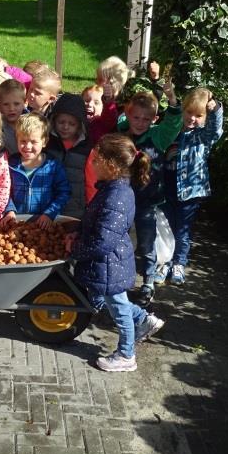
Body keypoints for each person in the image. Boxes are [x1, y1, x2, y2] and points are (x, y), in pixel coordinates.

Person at [67, 134, 165, 372]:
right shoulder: (111, 189)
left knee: (118, 309)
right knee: (112, 302)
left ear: (110, 165)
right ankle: (143, 319)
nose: (91, 163)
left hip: (110, 264)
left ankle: (126, 355)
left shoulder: (116, 195)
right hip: (109, 262)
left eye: (95, 159)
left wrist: (76, 250)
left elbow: (103, 240)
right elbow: (95, 221)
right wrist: (77, 232)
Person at [117, 87, 182, 306]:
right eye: (136, 117)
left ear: (154, 119)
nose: (140, 122)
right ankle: (120, 279)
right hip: (123, 199)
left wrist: (172, 100)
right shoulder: (122, 134)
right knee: (121, 240)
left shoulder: (157, 136)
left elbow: (172, 124)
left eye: (146, 119)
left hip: (146, 200)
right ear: (128, 114)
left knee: (147, 242)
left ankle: (148, 281)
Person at [162, 88, 223, 284]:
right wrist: (171, 98)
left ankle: (179, 262)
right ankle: (165, 261)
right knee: (167, 227)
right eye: (189, 112)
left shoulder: (203, 136)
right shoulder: (171, 131)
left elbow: (216, 129)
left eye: (199, 115)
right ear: (183, 110)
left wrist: (215, 110)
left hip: (190, 192)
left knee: (182, 230)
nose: (192, 118)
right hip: (167, 189)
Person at [1, 113, 70, 228]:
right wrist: (9, 210)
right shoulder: (10, 164)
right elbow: (4, 191)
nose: (28, 146)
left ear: (44, 142)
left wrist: (50, 213)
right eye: (23, 141)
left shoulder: (53, 166)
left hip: (44, 222)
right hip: (17, 221)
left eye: (33, 142)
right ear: (16, 140)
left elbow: (64, 192)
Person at [45, 94, 94, 220]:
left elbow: (91, 181)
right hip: (48, 205)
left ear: (79, 125)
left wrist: (92, 206)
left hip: (76, 208)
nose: (65, 127)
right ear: (54, 121)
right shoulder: (47, 144)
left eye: (71, 124)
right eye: (61, 122)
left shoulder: (87, 148)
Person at [0, 78, 28, 154]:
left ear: (25, 103)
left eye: (16, 104)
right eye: (6, 104)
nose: (11, 109)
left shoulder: (32, 122)